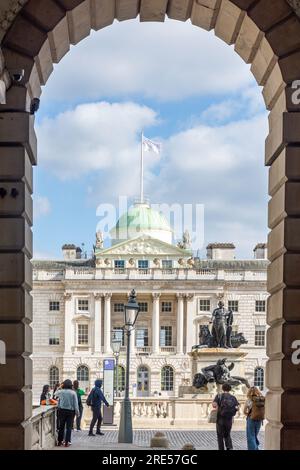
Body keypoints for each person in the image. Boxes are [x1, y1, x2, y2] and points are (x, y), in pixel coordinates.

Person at [212, 383, 240, 450]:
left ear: (223, 388)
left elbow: (214, 405)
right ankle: (229, 447)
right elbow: (238, 407)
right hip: (229, 419)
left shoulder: (219, 396)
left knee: (220, 435)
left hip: (220, 418)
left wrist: (216, 406)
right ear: (230, 389)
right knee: (227, 434)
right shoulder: (233, 397)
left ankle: (221, 448)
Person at [56, 379, 80, 447]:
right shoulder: (73, 393)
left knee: (61, 427)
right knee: (69, 427)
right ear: (70, 385)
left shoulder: (61, 392)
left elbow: (55, 393)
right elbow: (76, 404)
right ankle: (67, 442)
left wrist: (60, 387)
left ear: (64, 384)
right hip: (70, 412)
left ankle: (59, 441)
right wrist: (77, 413)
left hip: (62, 411)